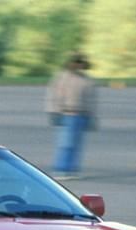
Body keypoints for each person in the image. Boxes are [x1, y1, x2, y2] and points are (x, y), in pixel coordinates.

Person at [44, 52, 98, 180]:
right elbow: (53, 96)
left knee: (77, 144)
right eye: (76, 63)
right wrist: (53, 111)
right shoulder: (62, 78)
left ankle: (72, 169)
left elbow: (91, 99)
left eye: (81, 64)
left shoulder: (87, 80)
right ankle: (61, 169)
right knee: (65, 144)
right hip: (66, 113)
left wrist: (91, 116)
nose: (78, 66)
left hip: (81, 114)